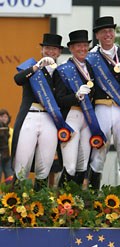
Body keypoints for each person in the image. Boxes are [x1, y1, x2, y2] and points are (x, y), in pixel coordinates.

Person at [86, 16, 120, 196]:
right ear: (97, 35)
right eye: (104, 32)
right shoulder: (90, 58)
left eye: (110, 31)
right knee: (97, 153)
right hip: (100, 108)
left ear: (114, 33)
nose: (108, 34)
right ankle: (93, 200)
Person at [12, 33, 64, 191]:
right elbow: (18, 79)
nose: (50, 52)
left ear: (59, 52)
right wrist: (37, 67)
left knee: (45, 162)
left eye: (54, 49)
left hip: (49, 118)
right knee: (22, 160)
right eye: (47, 48)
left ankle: (39, 203)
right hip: (30, 116)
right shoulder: (32, 67)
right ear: (42, 50)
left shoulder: (61, 72)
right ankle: (16, 203)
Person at [55, 30, 105, 187]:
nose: (83, 49)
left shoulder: (91, 67)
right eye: (79, 46)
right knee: (69, 166)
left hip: (88, 119)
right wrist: (76, 96)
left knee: (82, 166)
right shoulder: (63, 70)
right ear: (71, 48)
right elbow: (60, 100)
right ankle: (61, 201)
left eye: (85, 45)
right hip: (72, 117)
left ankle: (75, 203)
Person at [0, 109, 14, 182]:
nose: (4, 118)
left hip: (8, 157)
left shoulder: (12, 131)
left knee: (10, 178)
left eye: (6, 117)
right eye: (2, 116)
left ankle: (9, 193)